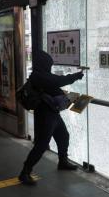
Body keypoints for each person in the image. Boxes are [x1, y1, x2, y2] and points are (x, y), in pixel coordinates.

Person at [19, 50, 84, 185]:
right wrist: (76, 76)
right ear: (44, 64)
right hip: (45, 115)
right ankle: (25, 172)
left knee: (63, 136)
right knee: (41, 145)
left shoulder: (42, 75)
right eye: (48, 64)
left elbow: (53, 83)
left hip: (52, 113)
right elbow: (58, 81)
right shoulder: (38, 76)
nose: (50, 67)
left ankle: (63, 161)